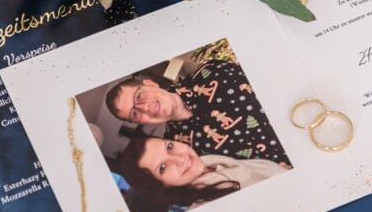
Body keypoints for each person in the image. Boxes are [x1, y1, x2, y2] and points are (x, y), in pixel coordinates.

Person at [105, 60, 291, 166]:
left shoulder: (211, 73)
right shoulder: (180, 152)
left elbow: (277, 80)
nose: (144, 108)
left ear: (150, 84)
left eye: (139, 98)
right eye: (135, 114)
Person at [116, 135, 285, 212]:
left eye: (169, 147)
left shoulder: (213, 162)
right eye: (162, 168)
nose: (180, 159)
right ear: (162, 186)